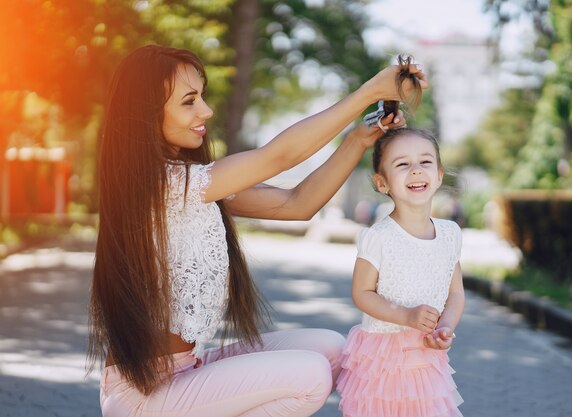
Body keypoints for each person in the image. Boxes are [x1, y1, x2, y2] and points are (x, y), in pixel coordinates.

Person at [87, 44, 426, 417]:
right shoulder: (158, 187)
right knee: (309, 375)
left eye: (202, 96)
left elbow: (298, 203)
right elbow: (277, 157)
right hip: (146, 397)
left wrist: (358, 140)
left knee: (330, 348)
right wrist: (370, 92)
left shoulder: (190, 183)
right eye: (189, 101)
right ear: (147, 114)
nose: (206, 111)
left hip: (188, 371)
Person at [336, 127, 465, 417]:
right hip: (381, 360)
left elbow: (455, 292)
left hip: (425, 356)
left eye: (425, 162)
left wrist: (445, 327)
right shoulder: (379, 237)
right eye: (403, 164)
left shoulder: (450, 234)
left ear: (440, 175)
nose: (416, 170)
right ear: (382, 183)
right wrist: (405, 316)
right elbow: (362, 293)